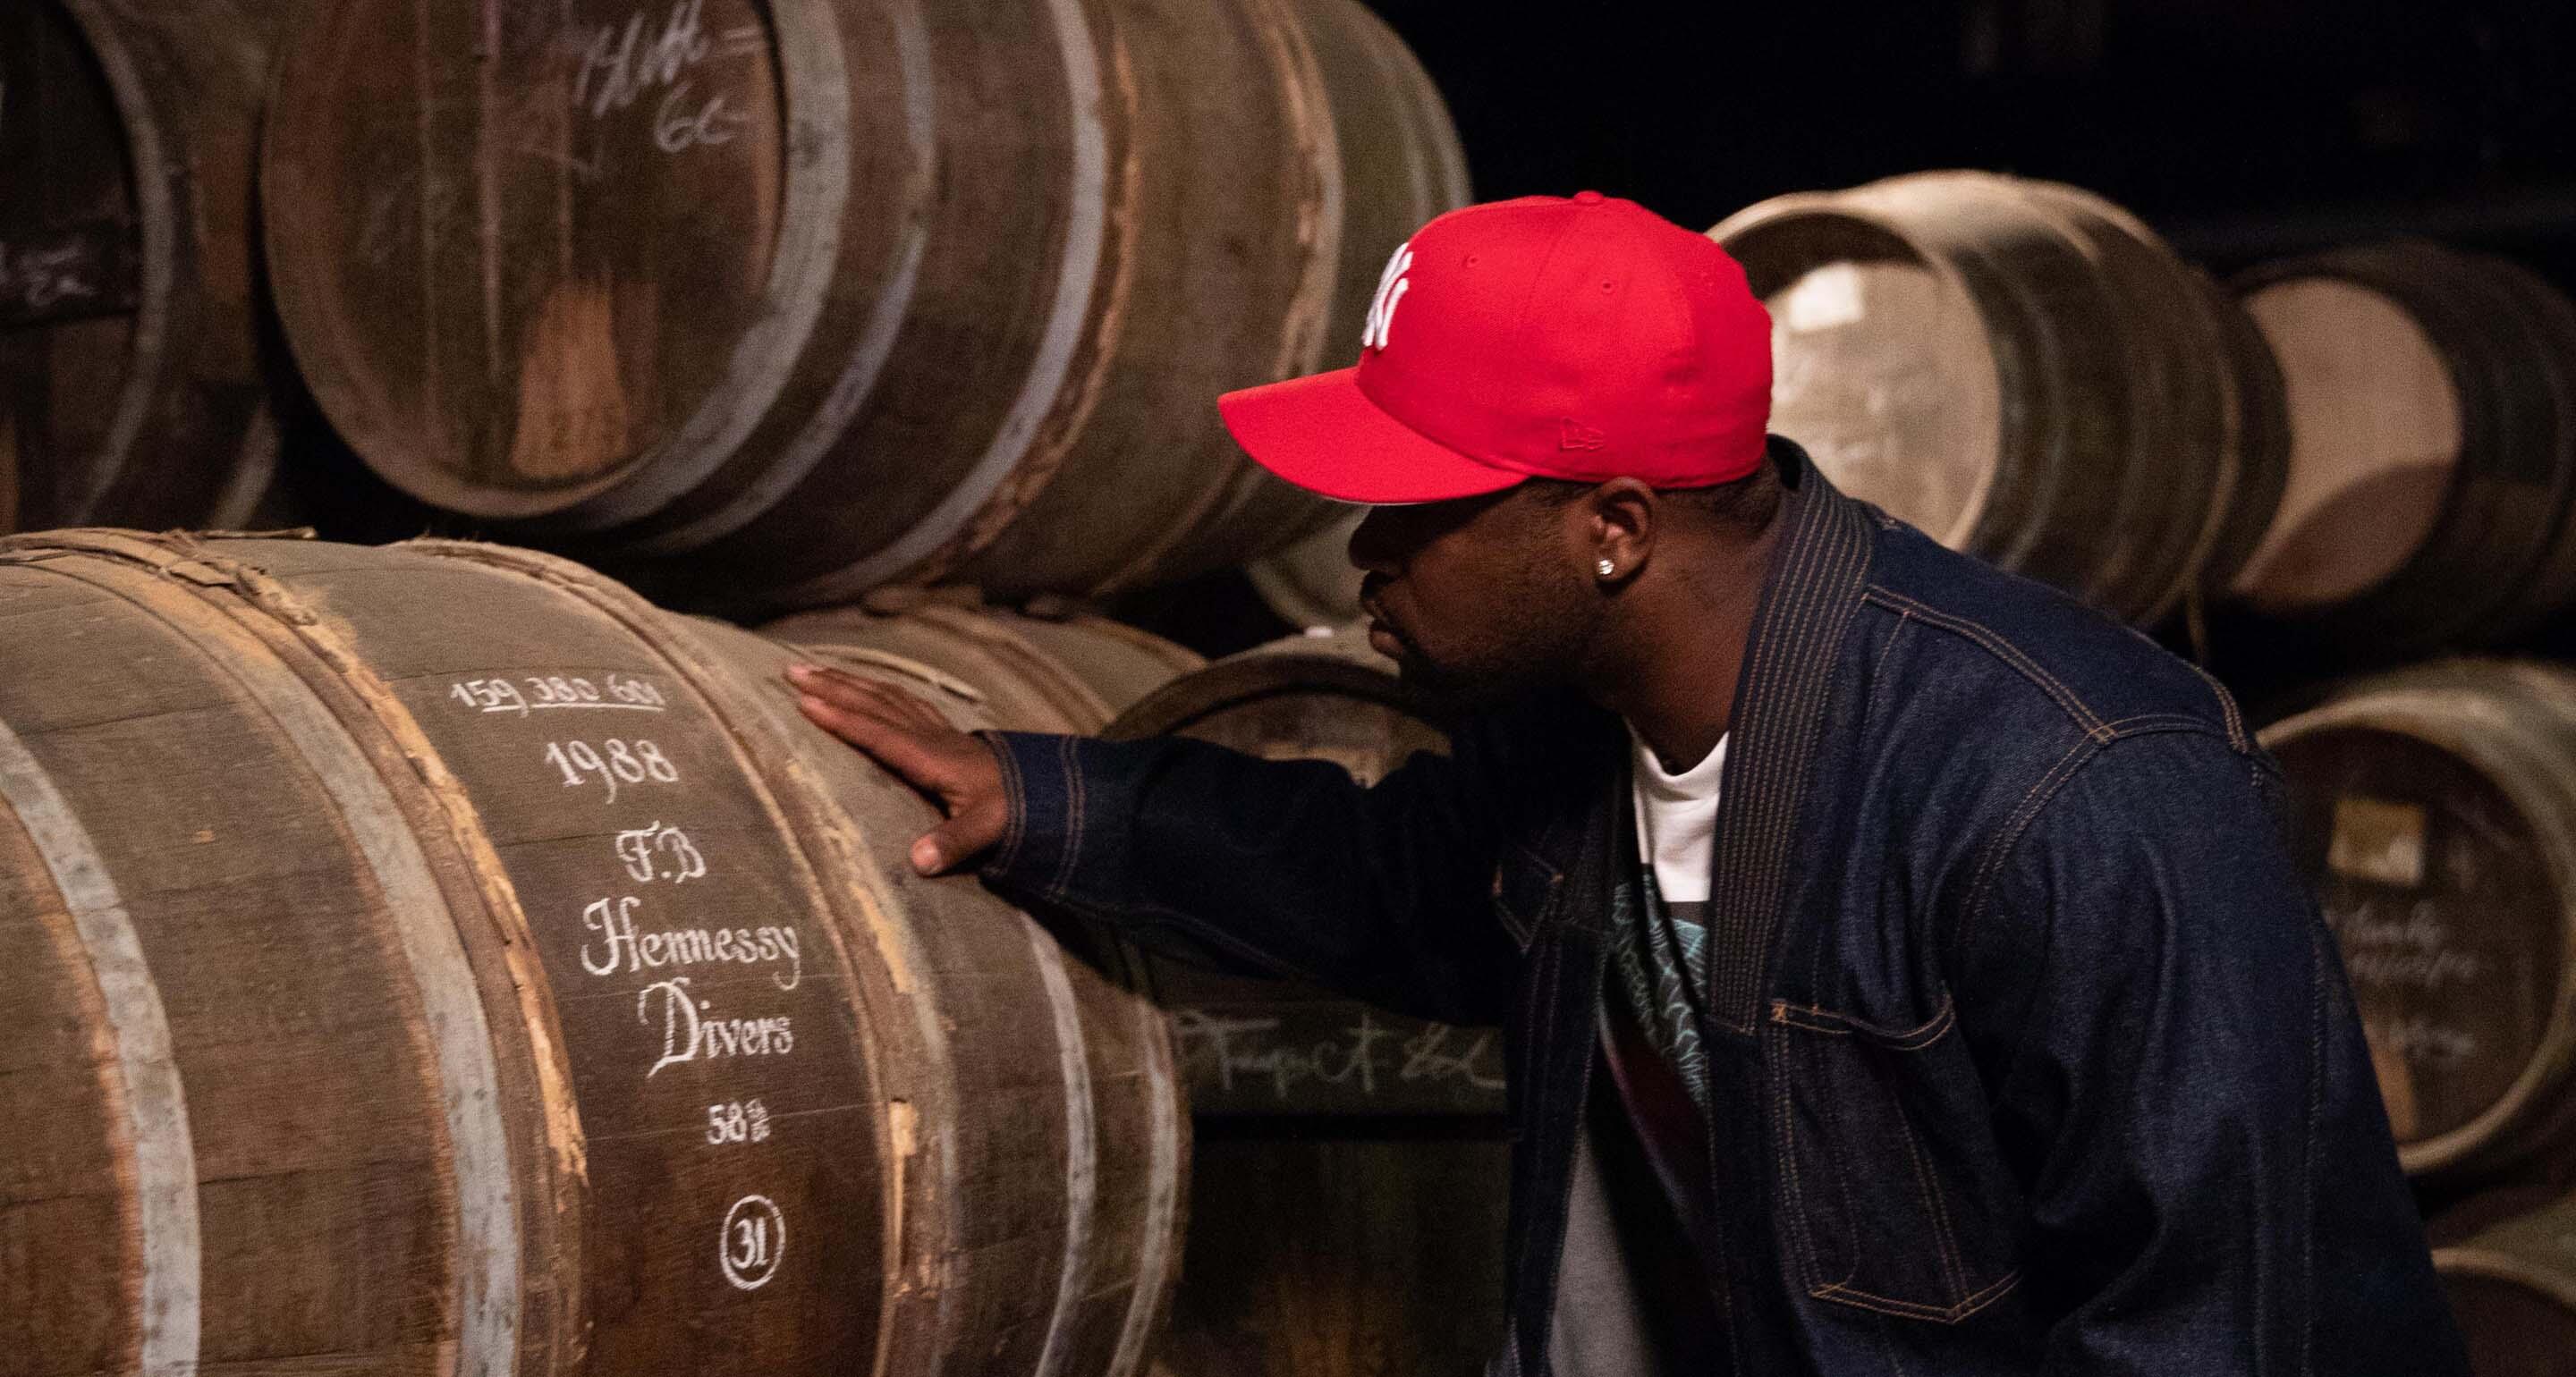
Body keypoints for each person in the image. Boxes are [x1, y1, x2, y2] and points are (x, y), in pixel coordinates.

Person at [785, 192, 2468, 1376]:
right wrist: (1051, 797)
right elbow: (1398, 884)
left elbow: (2225, 1327)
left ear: (1611, 529)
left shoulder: (2073, 789)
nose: (1362, 554)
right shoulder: (1581, 733)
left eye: (1417, 506)